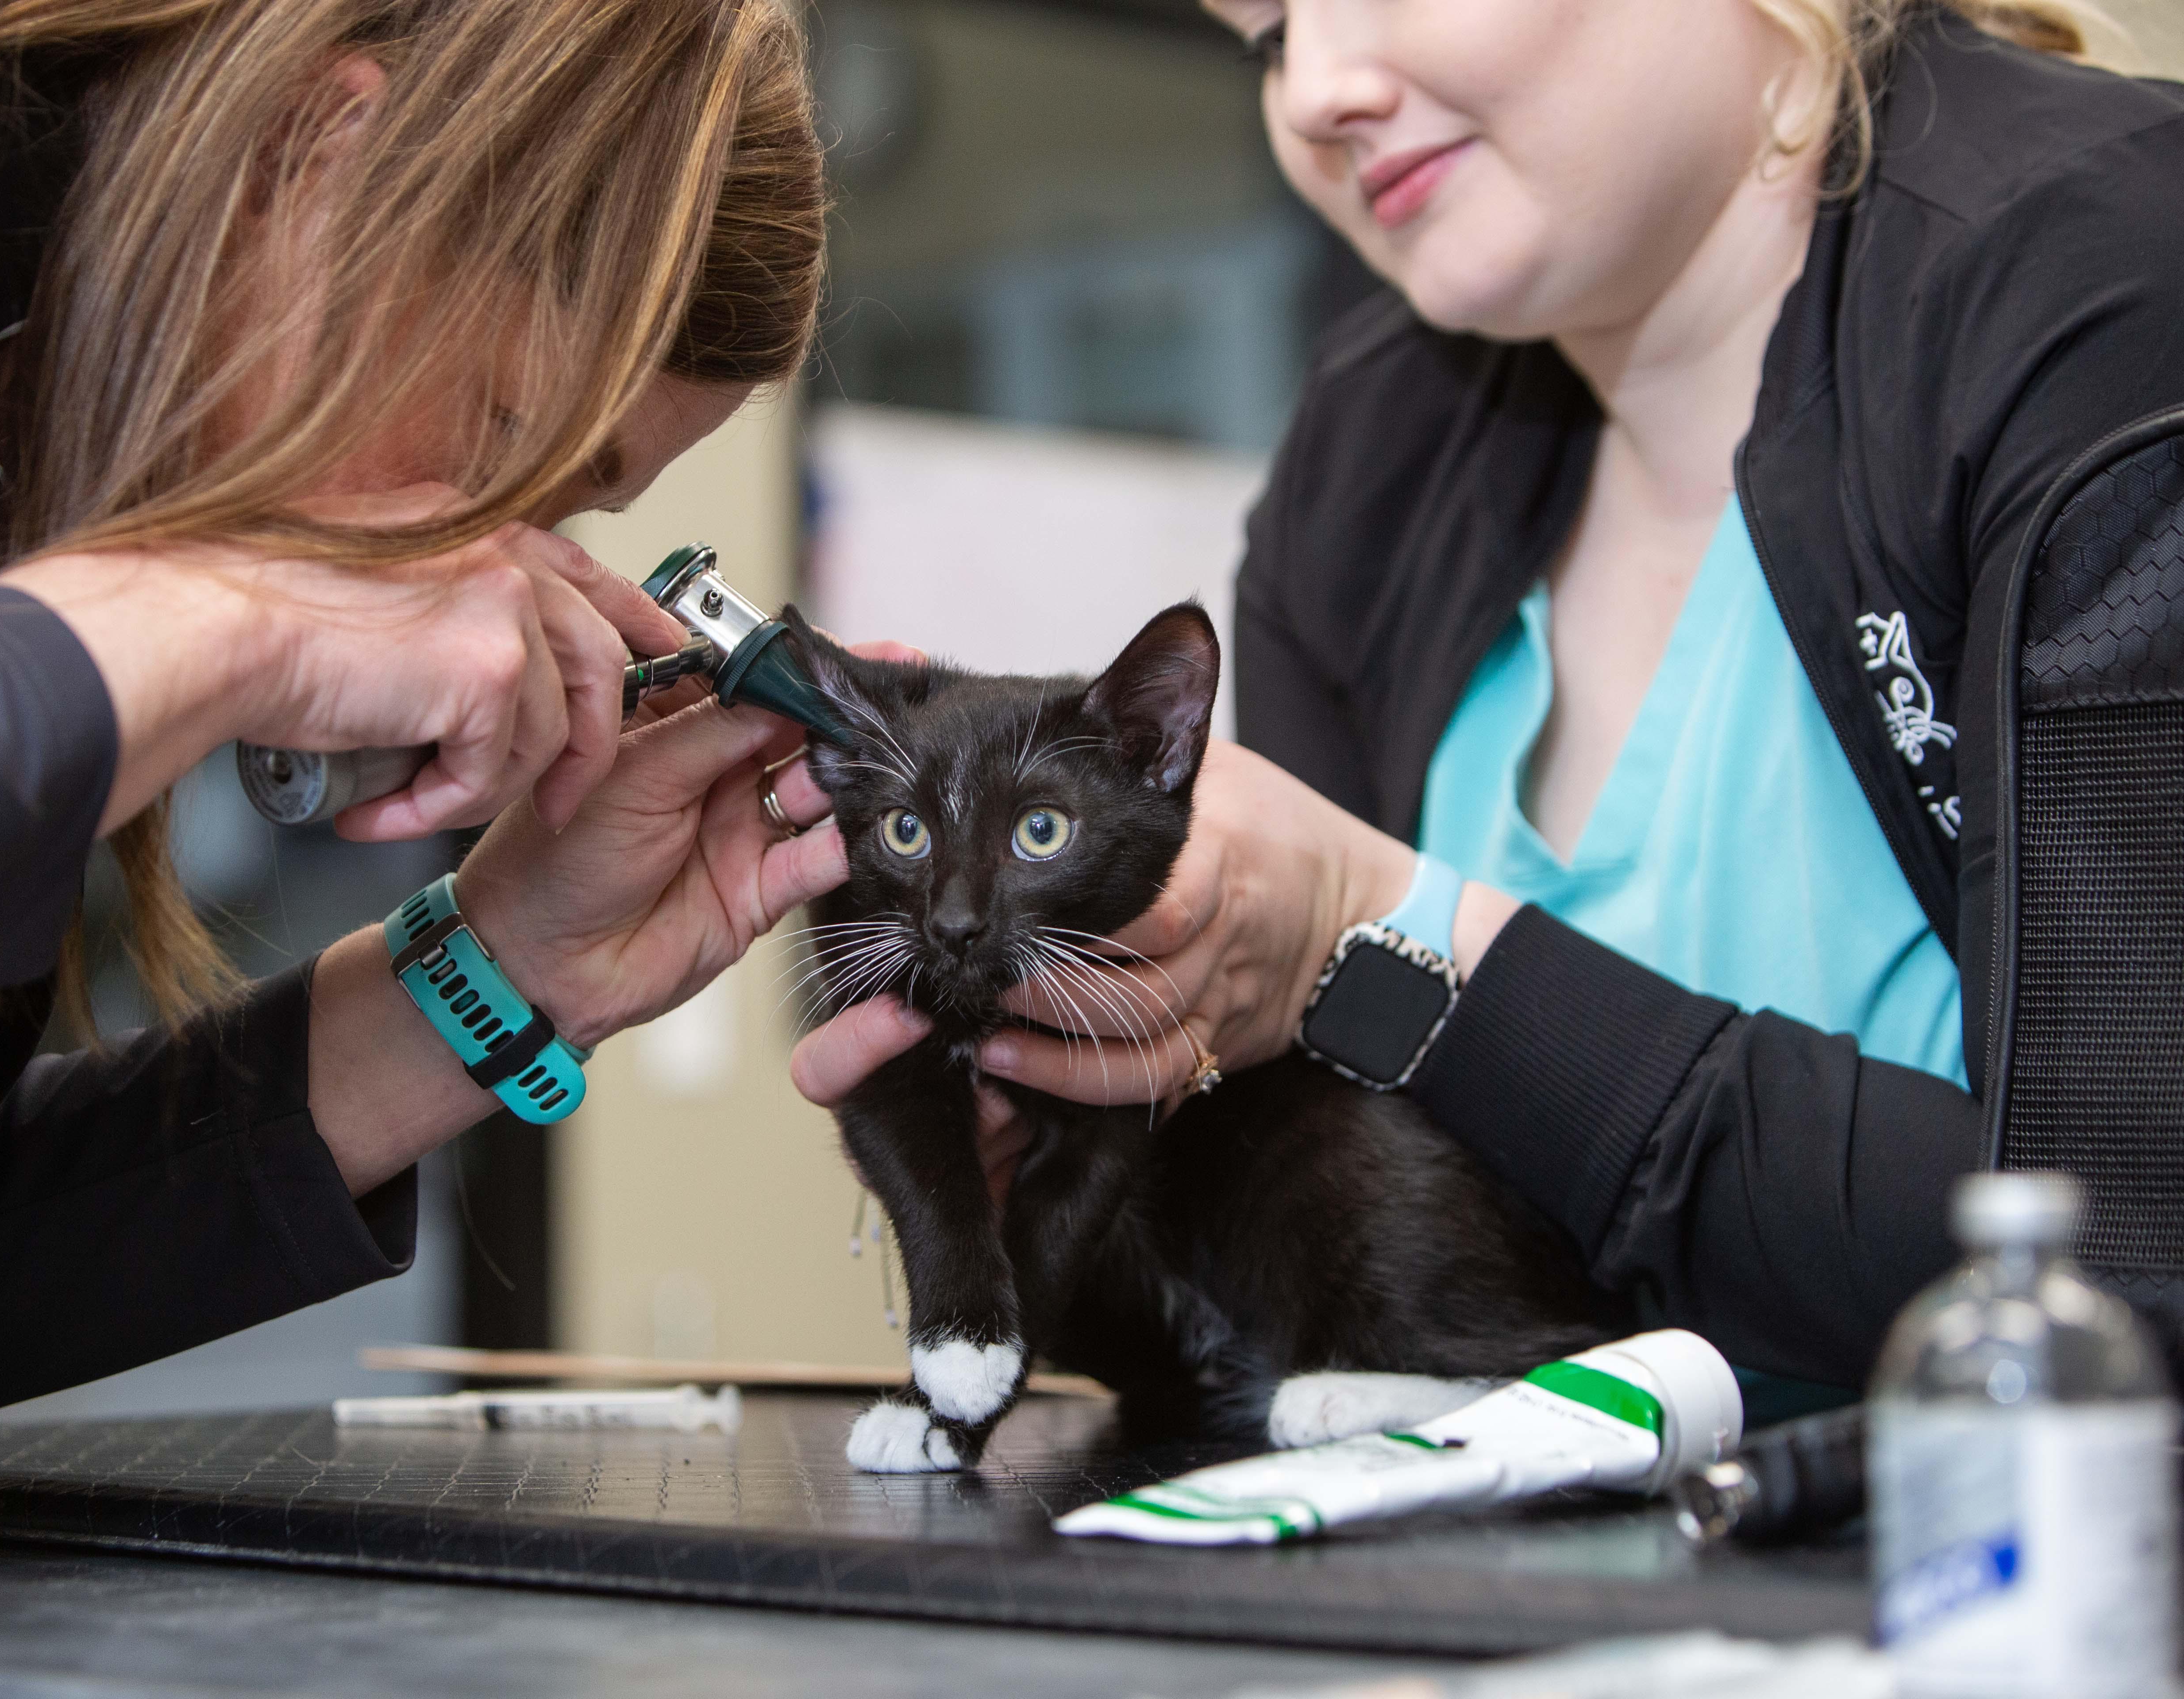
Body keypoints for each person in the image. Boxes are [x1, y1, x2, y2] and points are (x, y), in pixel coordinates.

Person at [795, 0, 2184, 1398]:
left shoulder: (2111, 289)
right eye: (1268, 39)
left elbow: (2139, 1268)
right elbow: (1268, 1290)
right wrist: (1031, 1172)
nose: (1318, 92)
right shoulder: (1369, 464)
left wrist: (1388, 940)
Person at [0, 0, 860, 1498]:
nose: (477, 564)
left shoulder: (40, 474)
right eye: (492, 449)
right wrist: (217, 625)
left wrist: (498, 975)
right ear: (325, 152)